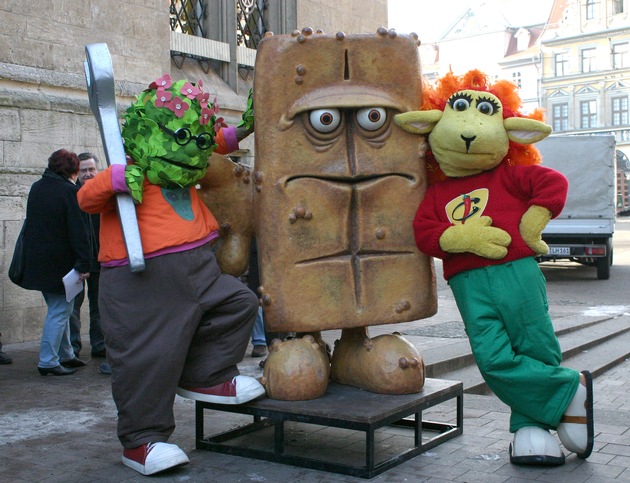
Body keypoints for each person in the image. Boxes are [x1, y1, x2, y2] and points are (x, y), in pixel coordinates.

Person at [77, 76, 264, 476]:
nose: (197, 147)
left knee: (240, 303)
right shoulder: (133, 171)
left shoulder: (190, 151)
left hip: (200, 269)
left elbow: (218, 140)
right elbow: (85, 198)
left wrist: (251, 122)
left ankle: (206, 375)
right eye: (184, 136)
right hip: (143, 281)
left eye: (198, 139)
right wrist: (113, 179)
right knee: (150, 358)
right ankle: (143, 440)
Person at [20, 149, 91, 376]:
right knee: (60, 311)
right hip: (61, 265)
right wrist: (84, 264)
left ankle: (66, 354)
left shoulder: (37, 188)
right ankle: (49, 361)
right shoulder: (68, 191)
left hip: (39, 264)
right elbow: (78, 231)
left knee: (60, 309)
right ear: (72, 170)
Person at [69, 153, 106, 360]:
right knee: (72, 308)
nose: (88, 174)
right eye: (83, 170)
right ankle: (73, 347)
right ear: (77, 173)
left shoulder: (104, 195)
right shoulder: (70, 195)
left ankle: (99, 345)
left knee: (99, 306)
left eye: (91, 169)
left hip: (100, 260)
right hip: (76, 263)